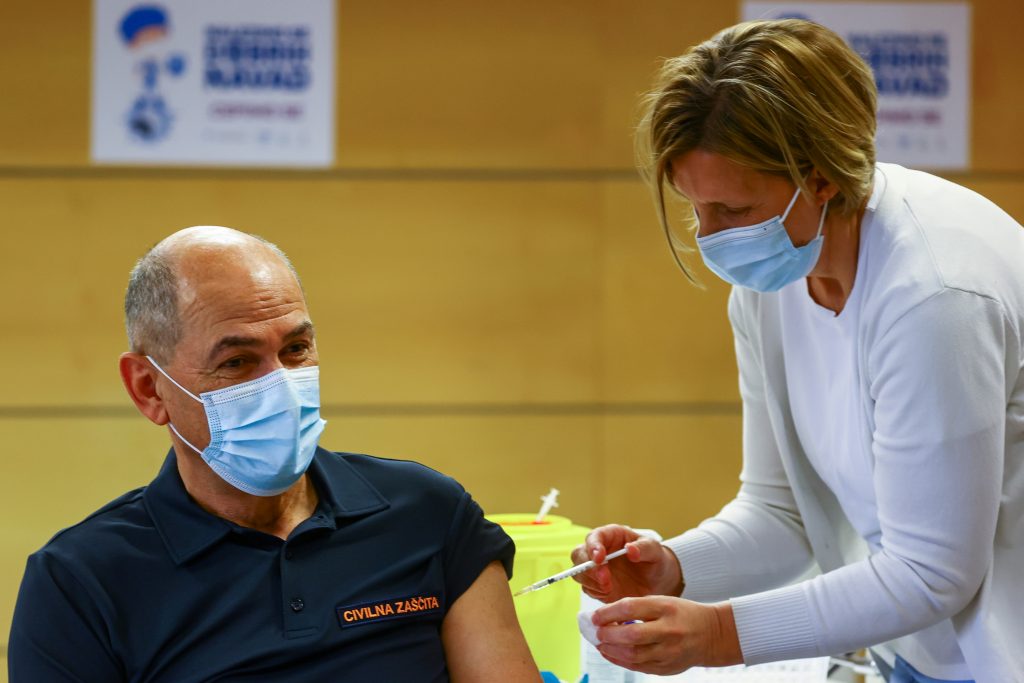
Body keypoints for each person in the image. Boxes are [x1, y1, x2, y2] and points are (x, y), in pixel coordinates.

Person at [572, 19, 1024, 683]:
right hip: (919, 652)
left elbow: (933, 572)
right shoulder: (774, 284)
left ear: (820, 178)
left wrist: (721, 632)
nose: (711, 237)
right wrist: (674, 566)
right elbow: (781, 512)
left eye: (732, 208)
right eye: (695, 209)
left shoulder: (934, 293)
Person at [8, 226, 541, 682]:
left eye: (295, 350)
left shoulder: (428, 514)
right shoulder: (80, 583)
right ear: (149, 388)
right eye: (237, 362)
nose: (282, 386)